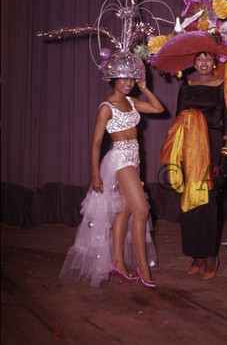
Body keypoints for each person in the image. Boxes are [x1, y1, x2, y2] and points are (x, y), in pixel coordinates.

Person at [59, 51, 165, 288]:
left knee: (125, 211)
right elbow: (96, 143)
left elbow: (159, 109)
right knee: (142, 211)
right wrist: (95, 174)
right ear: (113, 79)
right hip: (119, 160)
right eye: (123, 78)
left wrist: (145, 88)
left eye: (131, 78)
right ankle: (143, 267)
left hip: (135, 158)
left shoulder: (131, 102)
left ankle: (117, 261)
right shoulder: (106, 107)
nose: (128, 83)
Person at [159, 51, 227, 280]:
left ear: (214, 63)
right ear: (194, 63)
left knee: (208, 200)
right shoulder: (186, 84)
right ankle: (194, 254)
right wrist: (176, 152)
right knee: (189, 200)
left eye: (208, 59)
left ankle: (210, 256)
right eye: (199, 59)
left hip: (213, 146)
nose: (204, 63)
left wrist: (225, 154)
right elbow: (178, 118)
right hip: (189, 147)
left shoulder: (223, 85)